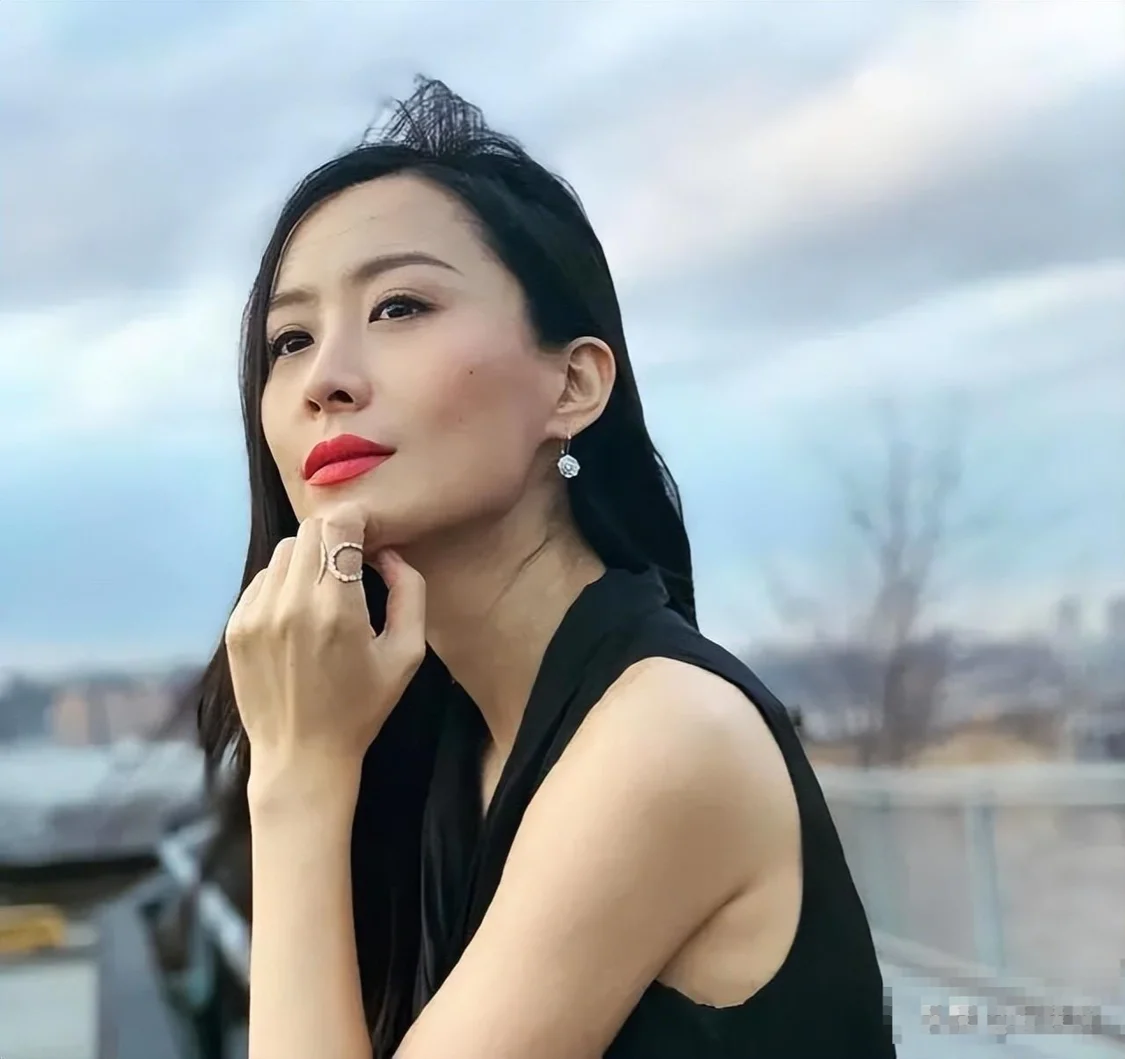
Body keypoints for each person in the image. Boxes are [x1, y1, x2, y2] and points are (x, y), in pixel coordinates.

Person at [189, 77, 896, 1059]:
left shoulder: (665, 735)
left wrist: (300, 777)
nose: (324, 380)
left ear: (573, 384)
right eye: (291, 338)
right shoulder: (447, 738)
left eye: (398, 306)